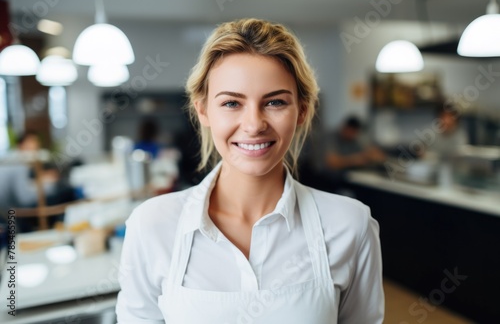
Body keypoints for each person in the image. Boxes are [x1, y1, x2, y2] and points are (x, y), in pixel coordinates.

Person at [116, 18, 384, 323]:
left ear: (303, 110)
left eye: (275, 102)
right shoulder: (151, 225)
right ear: (203, 110)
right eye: (231, 103)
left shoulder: (351, 225)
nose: (254, 125)